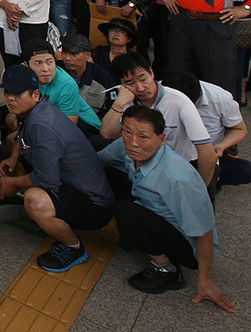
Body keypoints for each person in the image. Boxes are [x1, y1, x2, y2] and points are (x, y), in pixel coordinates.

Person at [97, 105, 236, 308]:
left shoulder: (177, 179)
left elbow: (204, 233)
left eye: (143, 137)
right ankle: (135, 235)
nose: (133, 143)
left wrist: (205, 279)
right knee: (108, 173)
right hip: (151, 208)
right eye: (127, 132)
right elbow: (99, 159)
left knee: (125, 210)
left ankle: (168, 270)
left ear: (161, 139)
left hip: (189, 247)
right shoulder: (125, 146)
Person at [0, 65, 115, 273]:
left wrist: (11, 183)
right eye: (7, 93)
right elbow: (21, 137)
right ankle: (63, 218)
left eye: (17, 94)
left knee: (35, 200)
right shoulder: (33, 109)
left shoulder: (42, 125)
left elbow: (45, 180)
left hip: (95, 205)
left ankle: (73, 247)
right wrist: (14, 158)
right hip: (75, 185)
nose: (10, 98)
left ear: (35, 94)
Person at [101, 53, 217, 190]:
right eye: (130, 83)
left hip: (181, 167)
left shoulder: (179, 101)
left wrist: (199, 189)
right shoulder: (126, 100)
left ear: (151, 72)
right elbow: (107, 133)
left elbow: (207, 153)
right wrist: (119, 103)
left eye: (143, 79)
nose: (140, 88)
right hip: (144, 164)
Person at [160, 71, 251, 187]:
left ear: (200, 94)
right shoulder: (156, 95)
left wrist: (222, 145)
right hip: (171, 157)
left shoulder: (221, 98)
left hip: (208, 155)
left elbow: (239, 129)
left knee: (246, 170)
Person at [23, 39, 103, 136]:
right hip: (41, 123)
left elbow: (68, 127)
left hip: (84, 129)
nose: (45, 69)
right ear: (26, 65)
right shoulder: (20, 74)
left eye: (50, 62)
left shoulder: (67, 84)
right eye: (38, 63)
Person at [59, 33, 115, 115]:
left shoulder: (102, 77)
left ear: (88, 55)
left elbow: (112, 109)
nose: (67, 58)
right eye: (64, 52)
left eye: (73, 54)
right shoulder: (56, 71)